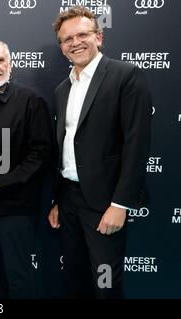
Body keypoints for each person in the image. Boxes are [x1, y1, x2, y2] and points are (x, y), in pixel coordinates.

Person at [48, 6, 152, 298]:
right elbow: (66, 146)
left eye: (82, 34)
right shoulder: (62, 89)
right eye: (67, 39)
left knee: (105, 284)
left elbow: (137, 143)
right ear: (61, 47)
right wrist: (58, 199)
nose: (75, 42)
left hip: (105, 202)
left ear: (99, 37)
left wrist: (121, 204)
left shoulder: (125, 76)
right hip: (68, 200)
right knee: (75, 278)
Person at [0, 40, 54, 298]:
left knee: (17, 279)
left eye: (0, 60)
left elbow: (42, 153)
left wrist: (4, 183)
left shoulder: (31, 101)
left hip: (16, 210)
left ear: (11, 64)